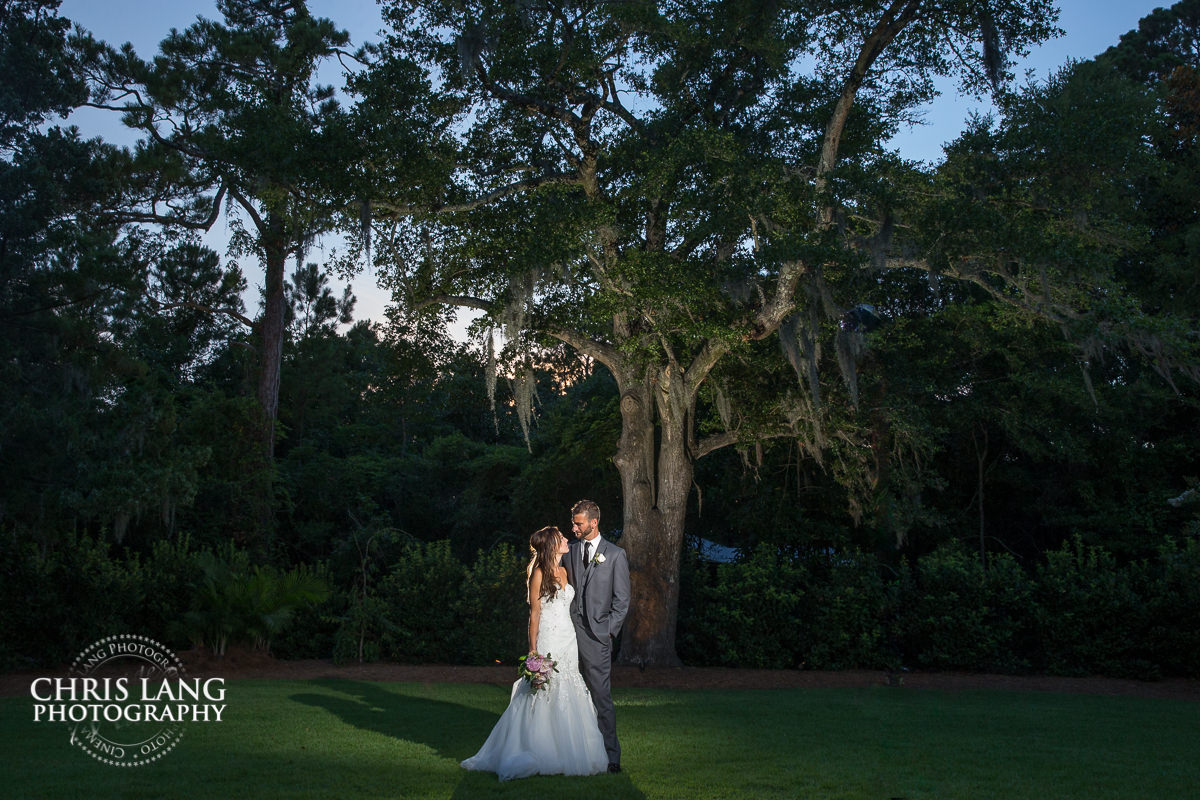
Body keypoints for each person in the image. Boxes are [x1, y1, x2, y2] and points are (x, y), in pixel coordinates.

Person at [460, 526, 608, 781]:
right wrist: (533, 651)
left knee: (569, 683)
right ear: (552, 544)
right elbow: (535, 614)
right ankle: (536, 748)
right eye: (561, 538)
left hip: (568, 639)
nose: (565, 539)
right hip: (549, 638)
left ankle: (566, 750)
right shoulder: (538, 574)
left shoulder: (565, 570)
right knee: (544, 689)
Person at [566, 499, 630, 773]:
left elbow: (622, 600)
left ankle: (611, 755)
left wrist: (609, 632)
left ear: (594, 523)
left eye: (578, 523)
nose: (574, 528)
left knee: (600, 695)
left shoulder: (615, 554)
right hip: (567, 633)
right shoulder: (567, 551)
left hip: (597, 637)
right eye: (573, 523)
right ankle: (573, 750)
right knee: (569, 693)